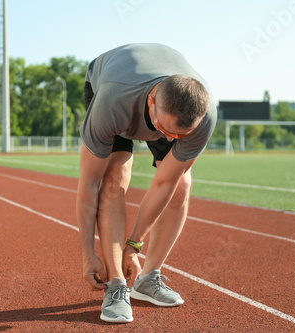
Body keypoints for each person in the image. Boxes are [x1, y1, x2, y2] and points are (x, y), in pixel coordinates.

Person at [76, 43, 217, 323]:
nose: (169, 138)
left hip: (150, 93)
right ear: (152, 100)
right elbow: (89, 183)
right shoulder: (112, 103)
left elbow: (166, 182)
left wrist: (134, 244)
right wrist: (87, 253)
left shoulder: (205, 117)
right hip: (111, 82)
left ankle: (148, 278)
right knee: (115, 176)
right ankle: (116, 284)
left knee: (181, 185)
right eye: (164, 130)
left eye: (180, 135)